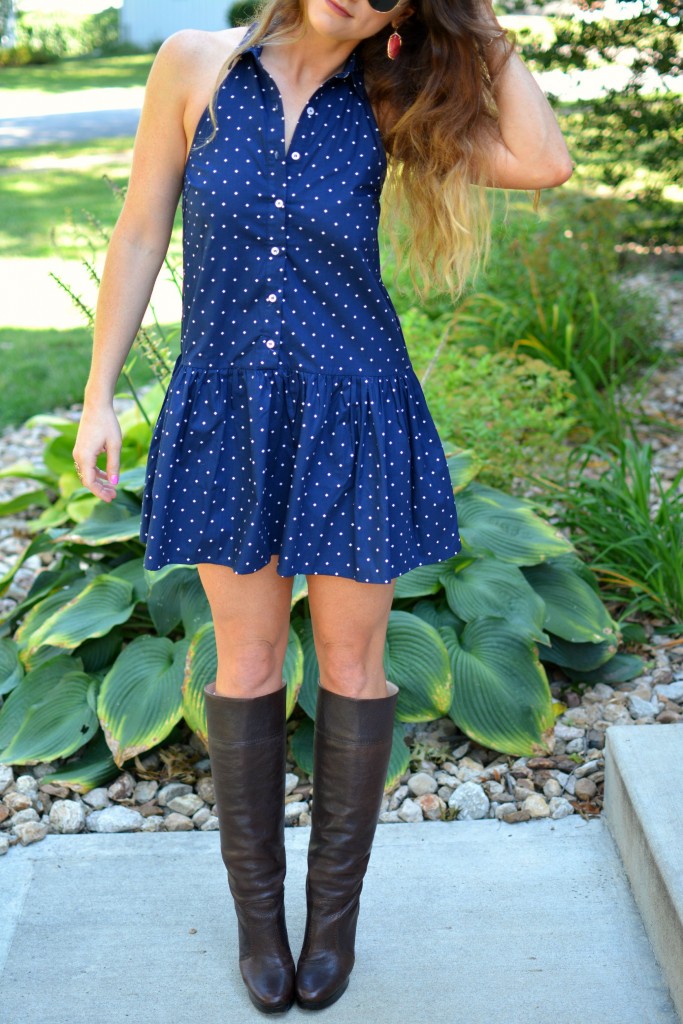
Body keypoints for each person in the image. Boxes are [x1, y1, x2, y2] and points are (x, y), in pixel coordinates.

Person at [72, 0, 572, 1013]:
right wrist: (97, 397)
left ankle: (330, 927)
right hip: (227, 405)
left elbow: (542, 158)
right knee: (247, 659)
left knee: (352, 663)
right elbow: (137, 233)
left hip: (357, 411)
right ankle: (260, 926)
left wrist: (477, 21)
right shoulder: (193, 64)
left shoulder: (395, 96)